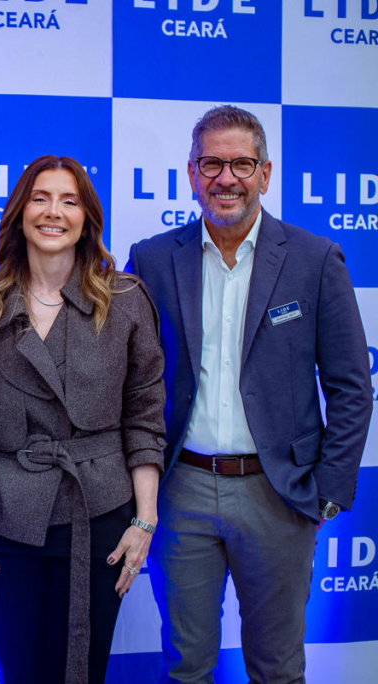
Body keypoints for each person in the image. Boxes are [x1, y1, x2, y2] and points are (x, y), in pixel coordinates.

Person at [127, 105, 371, 684]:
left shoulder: (314, 260)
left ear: (266, 173)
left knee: (277, 668)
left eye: (241, 163)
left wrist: (327, 494)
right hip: (180, 491)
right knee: (186, 666)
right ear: (191, 173)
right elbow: (129, 381)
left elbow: (352, 387)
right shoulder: (153, 259)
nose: (226, 177)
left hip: (279, 496)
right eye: (212, 163)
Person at [0, 155, 167, 684]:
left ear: (87, 217)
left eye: (69, 201)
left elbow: (145, 416)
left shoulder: (127, 301)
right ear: (19, 212)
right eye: (41, 198)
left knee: (81, 671)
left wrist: (145, 520)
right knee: (18, 670)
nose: (54, 212)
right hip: (2, 515)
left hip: (102, 512)